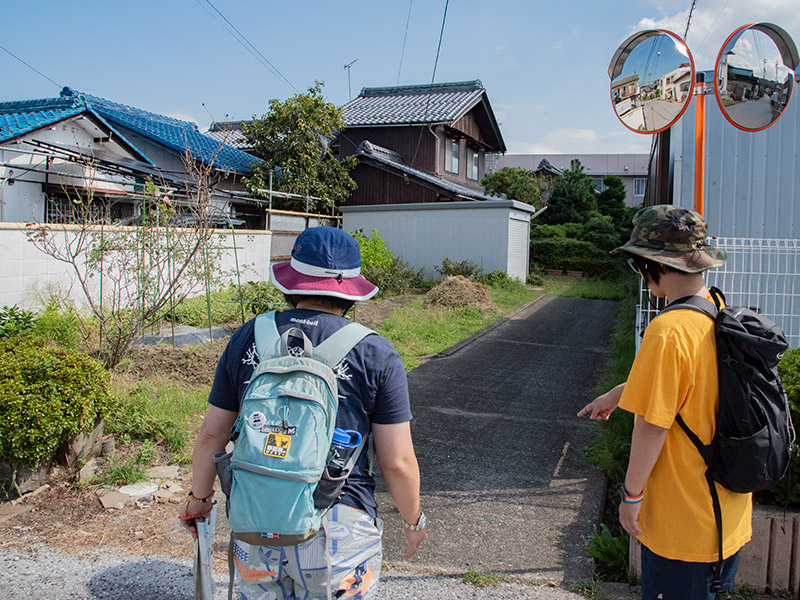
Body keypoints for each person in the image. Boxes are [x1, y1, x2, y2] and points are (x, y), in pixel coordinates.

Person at [180, 226, 426, 599]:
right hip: (341, 523)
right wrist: (413, 520)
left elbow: (213, 435)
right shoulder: (376, 354)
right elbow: (397, 462)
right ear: (350, 292)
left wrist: (199, 501)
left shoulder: (249, 337)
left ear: (291, 282)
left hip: (258, 517)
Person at [578, 205, 751, 600]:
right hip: (727, 514)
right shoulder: (716, 311)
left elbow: (652, 425)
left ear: (651, 265)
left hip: (683, 525)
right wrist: (618, 393)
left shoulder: (668, 330)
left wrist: (631, 497)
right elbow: (691, 382)